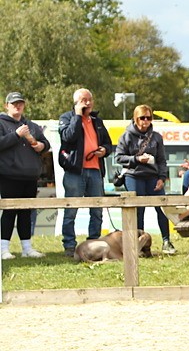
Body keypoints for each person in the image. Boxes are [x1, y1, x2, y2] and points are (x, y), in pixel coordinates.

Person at [58, 87, 115, 256]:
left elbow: (108, 143)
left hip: (95, 170)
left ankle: (94, 243)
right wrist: (77, 115)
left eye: (90, 99)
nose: (88, 103)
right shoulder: (66, 118)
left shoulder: (97, 121)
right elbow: (69, 137)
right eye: (84, 100)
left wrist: (104, 150)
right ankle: (69, 245)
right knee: (71, 210)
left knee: (96, 210)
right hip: (75, 171)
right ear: (76, 102)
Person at [114, 104, 175, 255]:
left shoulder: (156, 137)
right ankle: (138, 244)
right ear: (135, 119)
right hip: (134, 176)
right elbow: (119, 157)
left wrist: (162, 177)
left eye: (148, 118)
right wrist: (136, 159)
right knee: (138, 210)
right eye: (142, 118)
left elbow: (162, 160)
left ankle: (166, 241)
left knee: (161, 208)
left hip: (153, 177)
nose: (145, 121)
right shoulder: (126, 136)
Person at [0, 92, 51, 259]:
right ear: (6, 105)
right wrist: (16, 135)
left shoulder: (32, 125)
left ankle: (27, 248)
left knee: (26, 213)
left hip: (30, 176)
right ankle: (3, 249)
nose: (17, 106)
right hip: (9, 175)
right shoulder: (1, 123)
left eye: (20, 103)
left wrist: (40, 145)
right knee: (9, 212)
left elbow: (46, 144)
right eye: (14, 103)